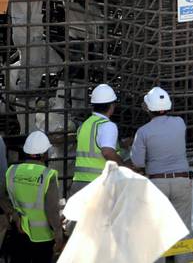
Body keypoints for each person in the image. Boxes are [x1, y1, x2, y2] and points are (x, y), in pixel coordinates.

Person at [131, 87, 192, 263]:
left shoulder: (143, 132)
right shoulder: (180, 122)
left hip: (157, 184)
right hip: (182, 180)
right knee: (183, 228)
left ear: (148, 108)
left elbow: (138, 162)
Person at [4, 131, 64, 262]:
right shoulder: (48, 175)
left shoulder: (12, 171)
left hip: (18, 231)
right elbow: (52, 210)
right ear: (43, 154)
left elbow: (3, 197)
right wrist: (59, 236)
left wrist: (13, 214)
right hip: (42, 237)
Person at [71, 83, 124, 195]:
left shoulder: (84, 125)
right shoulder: (107, 125)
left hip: (78, 183)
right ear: (112, 106)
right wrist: (124, 167)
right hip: (98, 184)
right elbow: (107, 152)